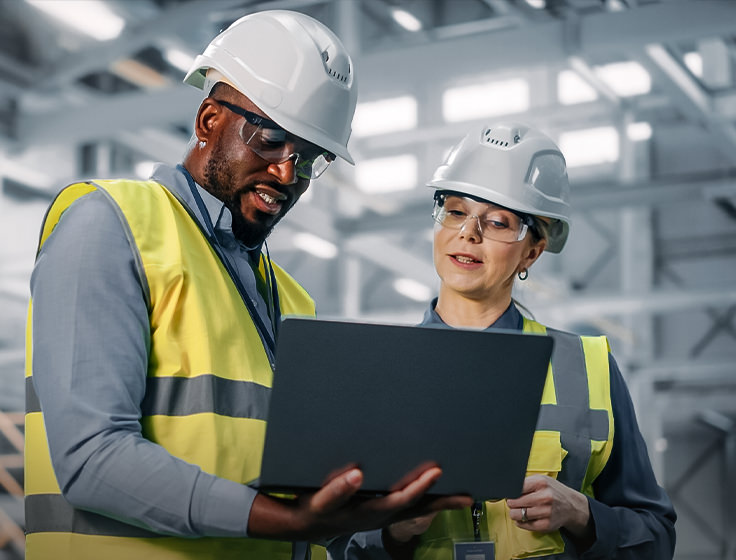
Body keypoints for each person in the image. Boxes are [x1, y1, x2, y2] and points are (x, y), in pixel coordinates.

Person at [24, 10, 470, 560]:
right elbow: (92, 458)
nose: (287, 173)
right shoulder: (111, 224)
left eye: (308, 158)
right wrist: (284, 520)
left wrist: (373, 518)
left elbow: (288, 496)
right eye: (271, 140)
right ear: (209, 119)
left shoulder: (289, 298)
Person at [330, 122, 676, 559]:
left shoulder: (586, 368)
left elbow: (657, 538)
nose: (468, 234)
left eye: (497, 222)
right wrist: (392, 532)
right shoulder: (375, 371)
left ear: (532, 251)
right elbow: (329, 544)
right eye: (455, 211)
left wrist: (585, 515)